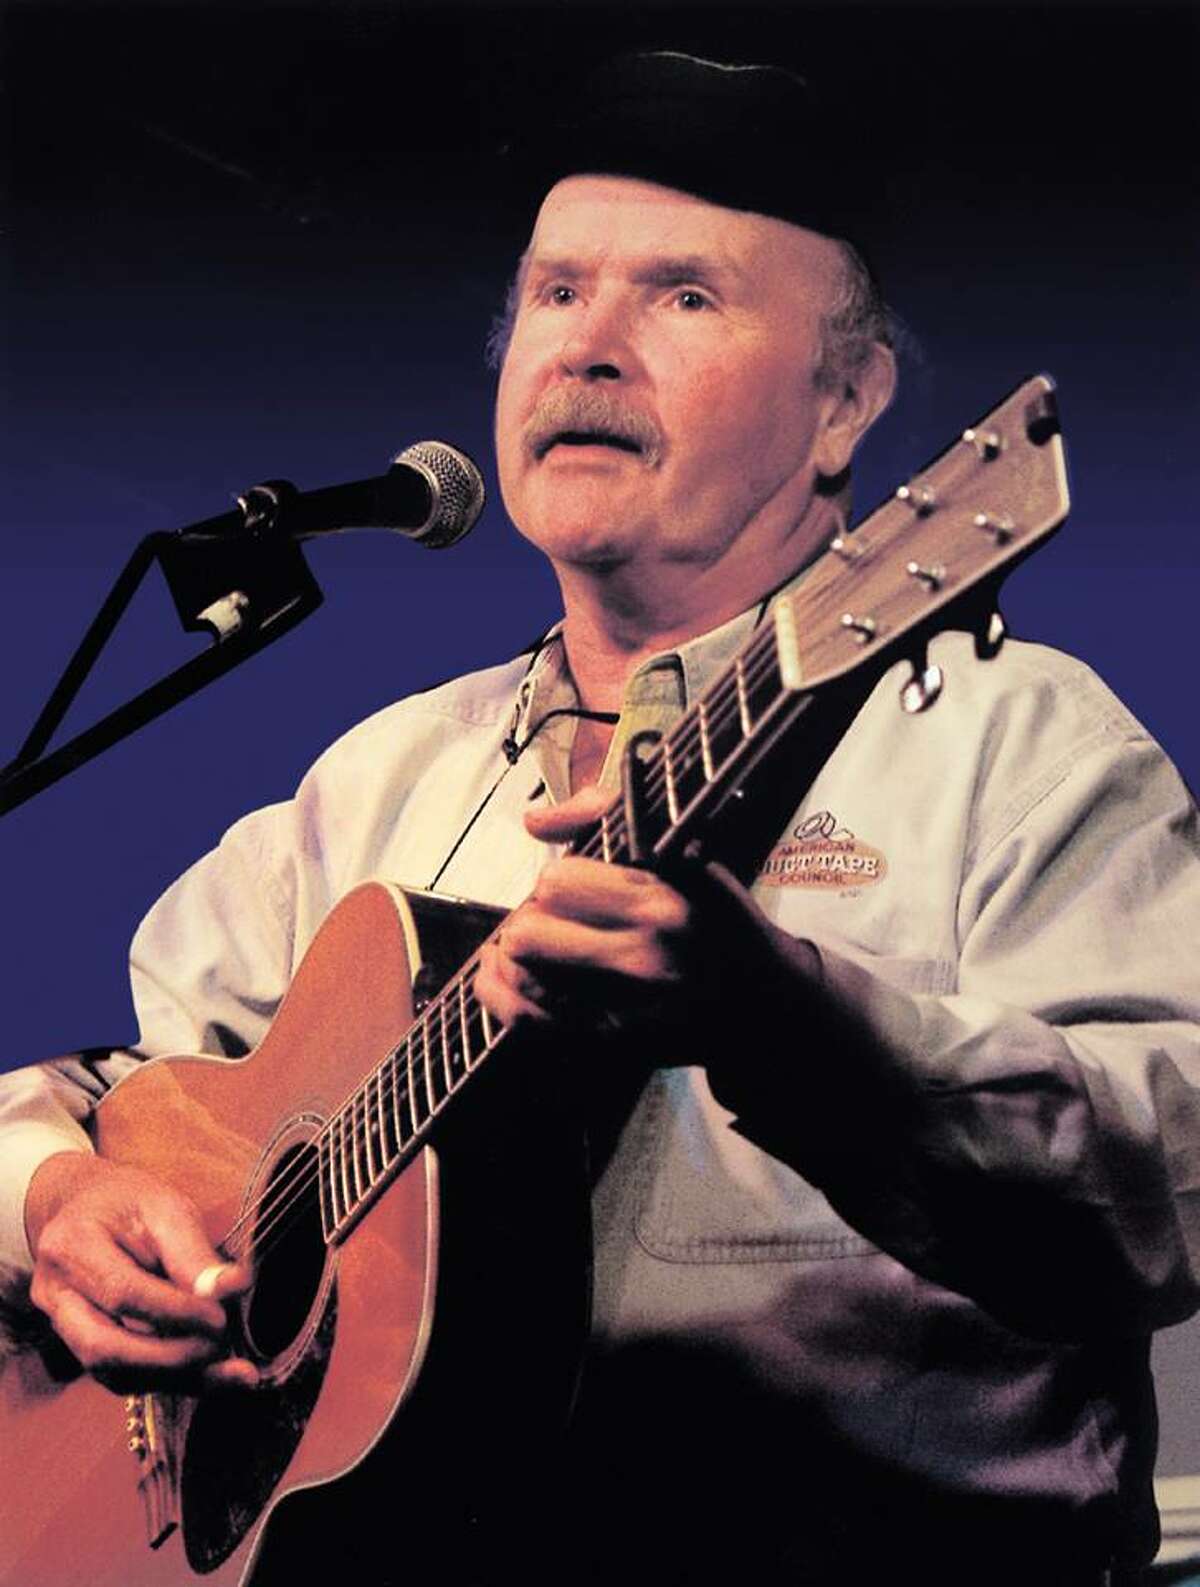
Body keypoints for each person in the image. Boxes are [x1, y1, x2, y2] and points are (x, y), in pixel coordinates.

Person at [2, 51, 1198, 1587]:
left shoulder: (1013, 742)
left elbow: (1166, 1191)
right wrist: (60, 1197)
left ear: (847, 403)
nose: (591, 349)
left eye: (684, 297)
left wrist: (790, 1023)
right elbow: (108, 1087)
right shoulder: (382, 781)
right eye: (557, 293)